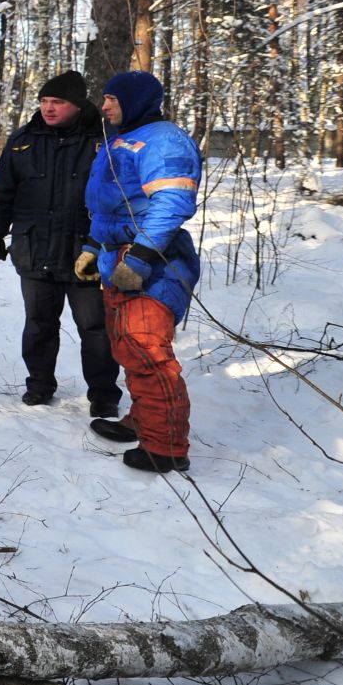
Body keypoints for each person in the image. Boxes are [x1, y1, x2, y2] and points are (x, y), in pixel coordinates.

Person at [80, 70, 202, 474]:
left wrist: (140, 258)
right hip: (117, 257)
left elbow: (171, 205)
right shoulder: (121, 140)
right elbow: (111, 205)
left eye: (112, 98)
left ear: (135, 101)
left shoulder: (164, 140)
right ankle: (144, 420)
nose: (105, 105)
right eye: (105, 97)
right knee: (128, 349)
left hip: (153, 263)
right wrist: (93, 247)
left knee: (148, 351)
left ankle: (166, 446)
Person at [0, 71, 122, 415]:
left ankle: (103, 394)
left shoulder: (104, 139)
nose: (48, 108)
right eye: (44, 101)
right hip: (34, 247)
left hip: (85, 250)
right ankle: (39, 384)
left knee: (94, 326)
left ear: (77, 105)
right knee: (39, 323)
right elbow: (2, 190)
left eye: (57, 102)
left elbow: (120, 195)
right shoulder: (23, 140)